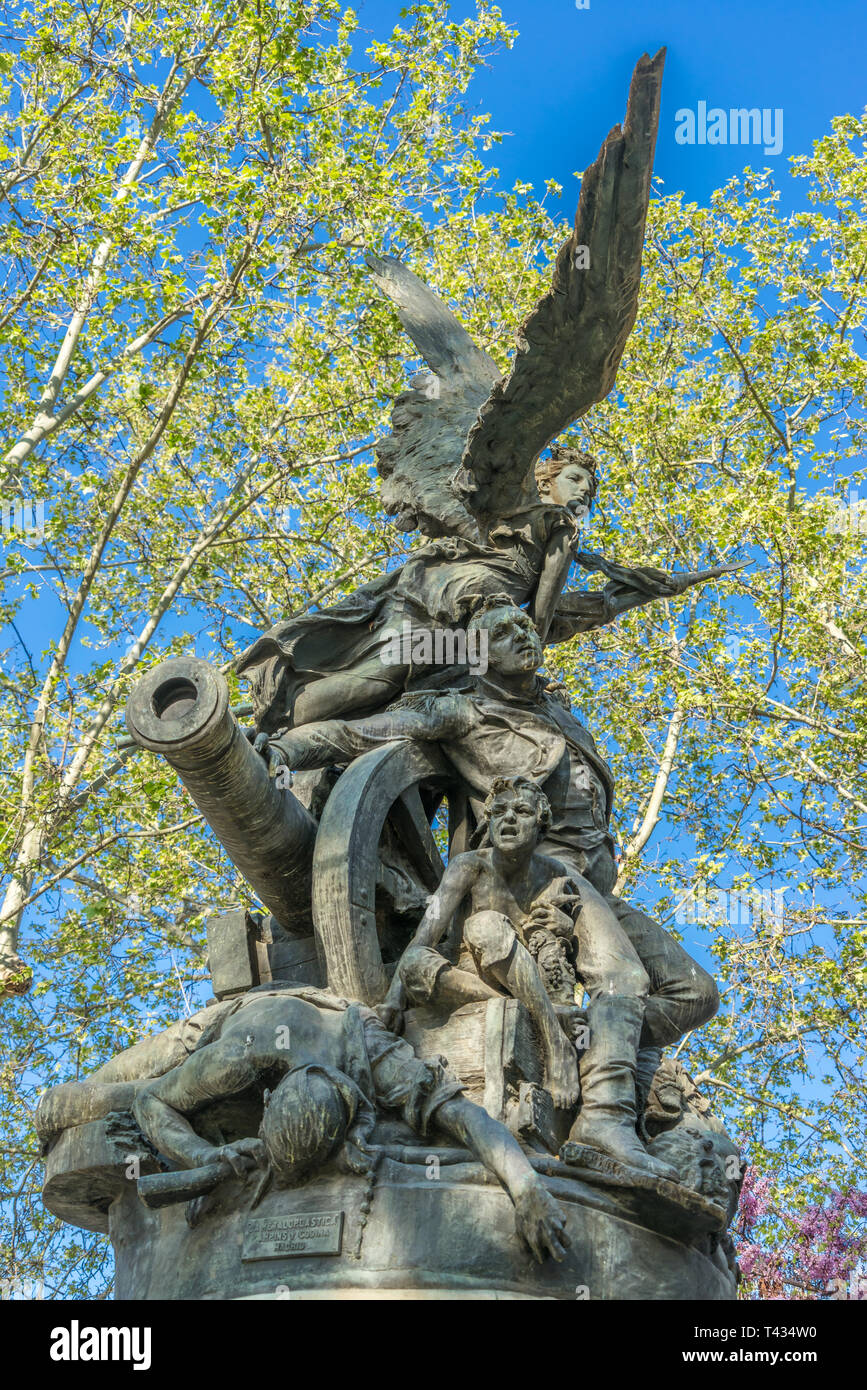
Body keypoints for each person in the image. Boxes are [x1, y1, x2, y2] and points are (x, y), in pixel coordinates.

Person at [379, 775, 585, 1109]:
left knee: (483, 924)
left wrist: (562, 925)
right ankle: (534, 1015)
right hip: (468, 978)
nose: (508, 819)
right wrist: (391, 1002)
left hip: (521, 972)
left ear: (540, 824)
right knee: (415, 962)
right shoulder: (468, 866)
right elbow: (425, 935)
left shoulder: (552, 874)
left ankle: (554, 1042)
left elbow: (556, 951)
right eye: (499, 812)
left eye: (521, 811)